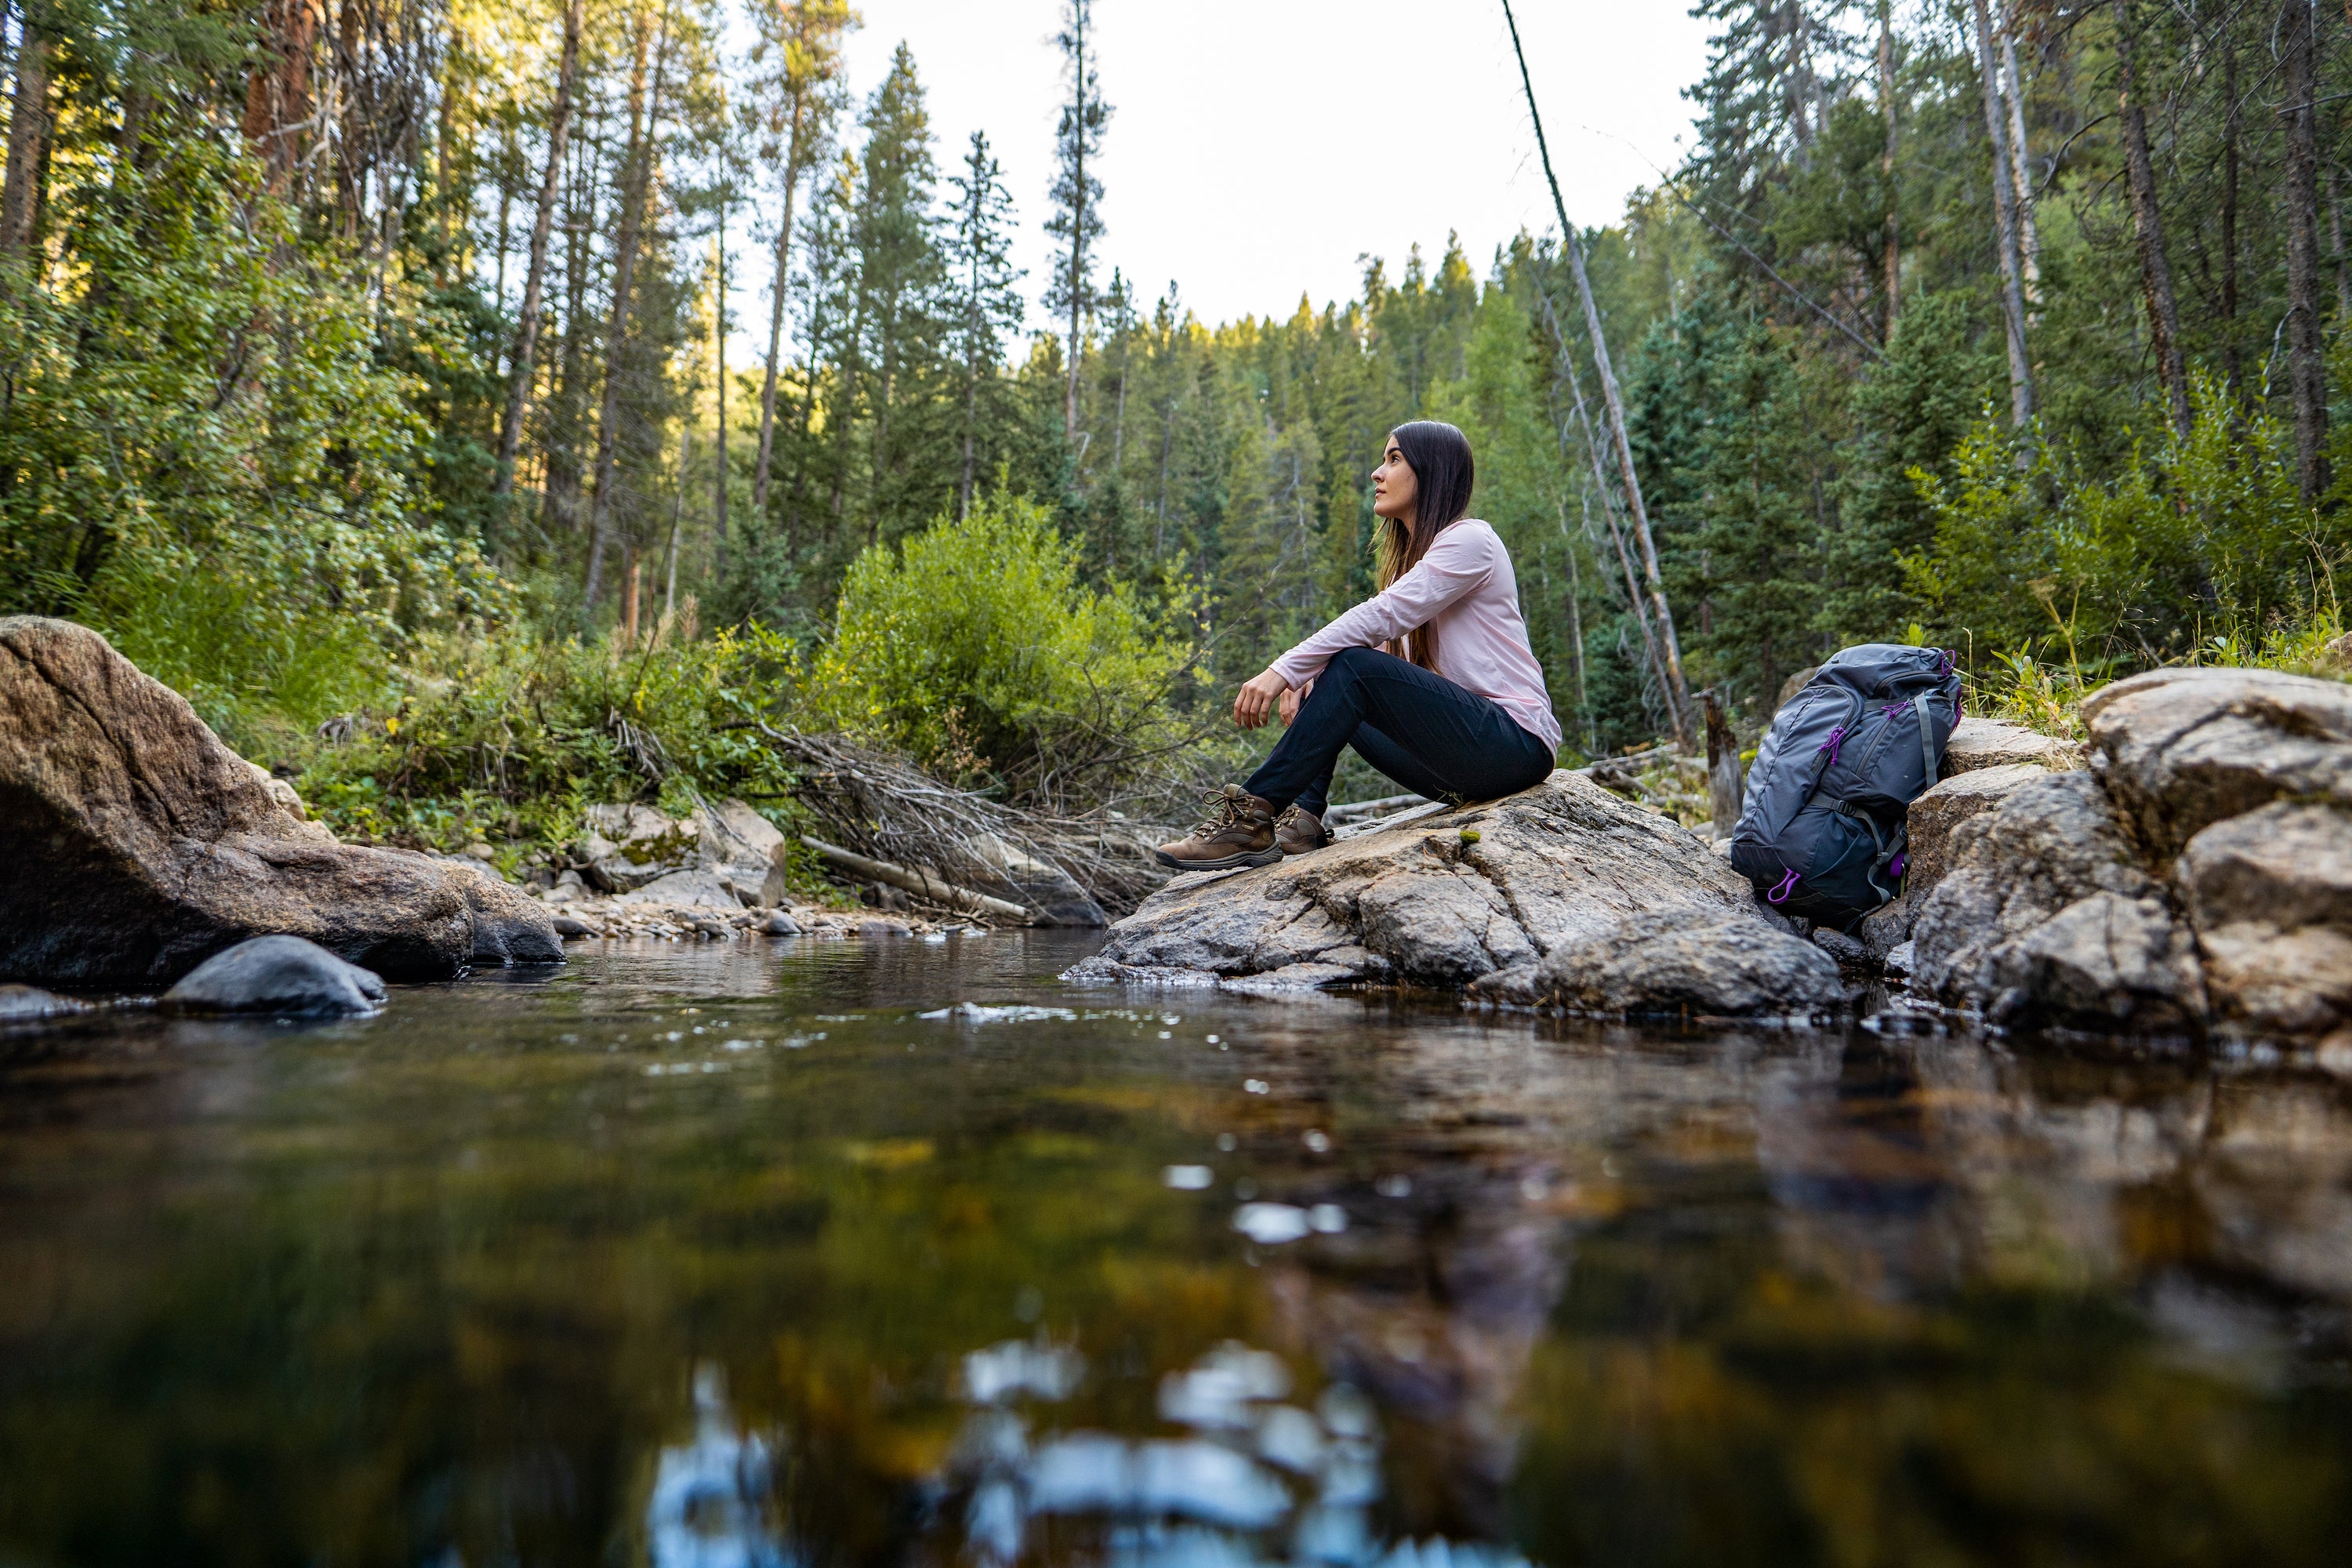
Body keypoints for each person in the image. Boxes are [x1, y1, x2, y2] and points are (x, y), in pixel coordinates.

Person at [1156, 420, 1560, 870]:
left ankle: (1251, 818)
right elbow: (1382, 667)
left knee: (1350, 667)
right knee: (1335, 677)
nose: (1377, 473)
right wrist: (1311, 679)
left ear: (1432, 472)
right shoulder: (1417, 565)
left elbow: (1381, 618)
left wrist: (1286, 669)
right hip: (1460, 765)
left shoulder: (1471, 540)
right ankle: (1302, 821)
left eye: (1394, 459)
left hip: (1514, 745)